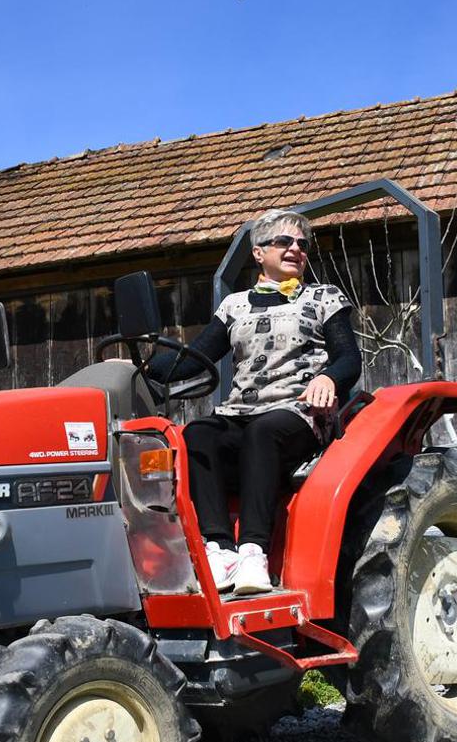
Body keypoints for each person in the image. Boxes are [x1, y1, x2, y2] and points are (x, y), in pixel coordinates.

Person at [147, 209, 361, 595]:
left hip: (299, 411)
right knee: (198, 434)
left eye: (302, 244)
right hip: (241, 411)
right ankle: (220, 549)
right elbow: (193, 358)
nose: (296, 249)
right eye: (284, 242)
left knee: (263, 432)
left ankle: (253, 552)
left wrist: (328, 377)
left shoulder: (322, 297)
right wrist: (140, 365)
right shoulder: (235, 306)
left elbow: (349, 358)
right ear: (259, 253)